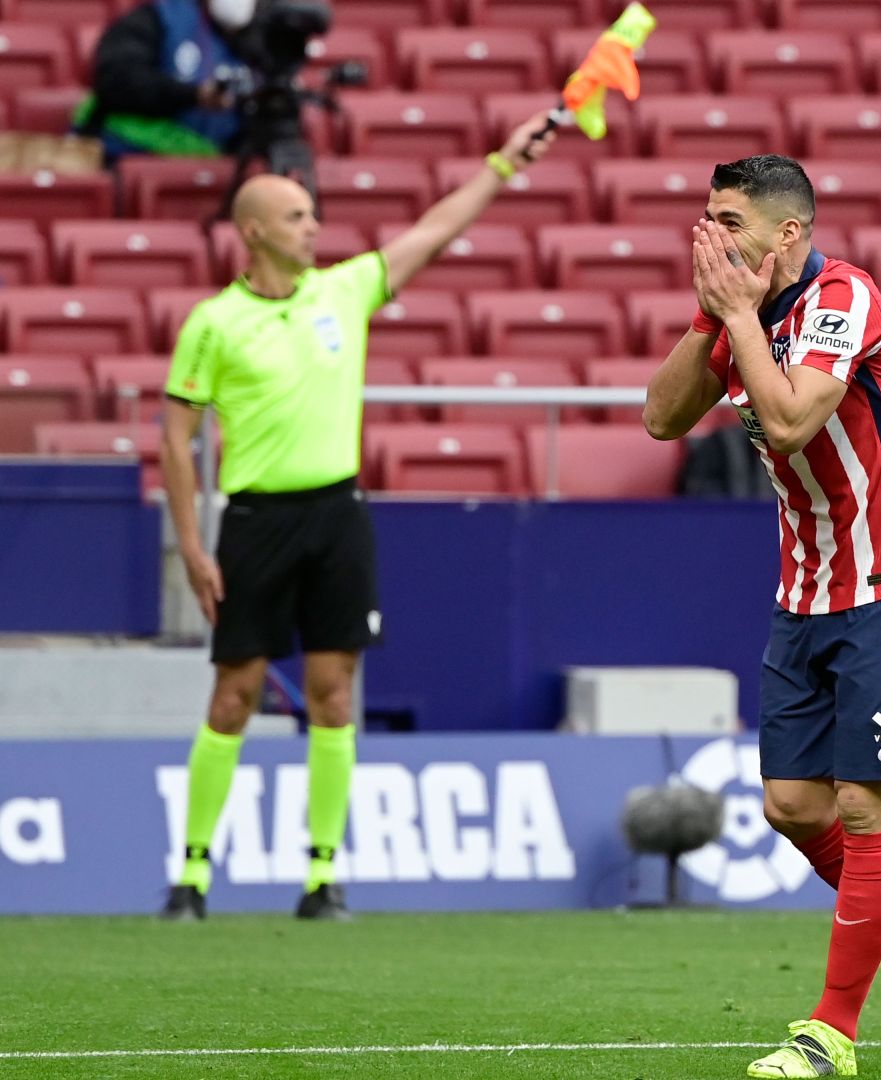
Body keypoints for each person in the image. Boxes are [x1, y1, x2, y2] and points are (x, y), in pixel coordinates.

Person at [641, 155, 881, 1078]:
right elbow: (661, 418)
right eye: (707, 216)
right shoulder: (739, 314)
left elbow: (793, 418)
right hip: (805, 588)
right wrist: (710, 315)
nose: (712, 234)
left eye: (730, 220)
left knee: (865, 807)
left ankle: (829, 1033)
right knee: (793, 806)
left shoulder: (845, 298)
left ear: (787, 233)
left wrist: (736, 323)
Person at [157, 113, 559, 922]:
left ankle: (322, 876)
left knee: (333, 693)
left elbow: (438, 228)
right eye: (298, 217)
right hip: (255, 521)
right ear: (254, 232)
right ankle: (193, 874)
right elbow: (174, 441)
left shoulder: (345, 289)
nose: (314, 229)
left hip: (338, 514)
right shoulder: (212, 323)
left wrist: (502, 165)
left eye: (312, 216)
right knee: (234, 695)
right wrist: (193, 547)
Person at [77, 0, 255, 161]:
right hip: (137, 155)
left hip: (218, 162)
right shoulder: (156, 19)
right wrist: (194, 95)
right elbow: (116, 80)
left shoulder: (261, 34)